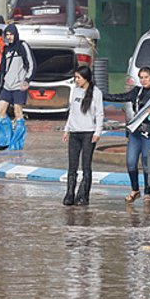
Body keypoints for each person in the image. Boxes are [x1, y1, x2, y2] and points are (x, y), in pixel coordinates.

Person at [104, 66, 150, 202]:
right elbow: (121, 97)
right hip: (135, 132)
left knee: (146, 162)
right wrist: (102, 95)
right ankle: (135, 189)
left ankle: (147, 192)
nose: (144, 80)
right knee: (131, 162)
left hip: (148, 133)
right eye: (141, 78)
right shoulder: (136, 92)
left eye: (146, 77)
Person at [0, 23, 33, 150]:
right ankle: (4, 141)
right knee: (1, 110)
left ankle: (16, 143)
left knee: (18, 112)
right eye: (7, 35)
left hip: (19, 86)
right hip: (7, 86)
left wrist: (27, 81)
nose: (9, 37)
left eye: (11, 34)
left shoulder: (23, 46)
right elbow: (1, 70)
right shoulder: (6, 49)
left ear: (15, 34)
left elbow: (32, 65)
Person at [62, 65, 104, 206]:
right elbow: (72, 112)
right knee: (72, 165)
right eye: (75, 78)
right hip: (74, 132)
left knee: (86, 165)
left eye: (79, 78)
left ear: (86, 78)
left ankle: (83, 195)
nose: (76, 80)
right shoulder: (75, 91)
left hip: (88, 133)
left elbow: (99, 114)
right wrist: (67, 130)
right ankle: (69, 193)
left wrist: (97, 132)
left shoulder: (96, 93)